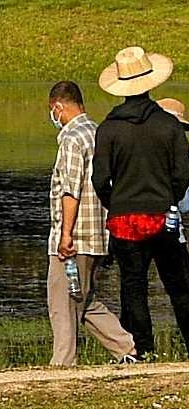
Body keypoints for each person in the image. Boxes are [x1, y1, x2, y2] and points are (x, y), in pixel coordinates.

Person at [91, 43, 189, 354]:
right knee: (179, 286)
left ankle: (142, 347)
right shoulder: (169, 125)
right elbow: (183, 175)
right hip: (162, 213)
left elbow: (99, 179)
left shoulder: (108, 129)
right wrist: (169, 197)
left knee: (132, 287)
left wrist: (115, 201)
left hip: (123, 218)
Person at [47, 79, 138, 367]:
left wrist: (65, 235)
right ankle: (126, 347)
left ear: (58, 107)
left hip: (77, 234)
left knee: (61, 301)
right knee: (84, 298)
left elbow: (70, 190)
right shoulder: (97, 132)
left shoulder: (72, 139)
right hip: (99, 232)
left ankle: (63, 361)